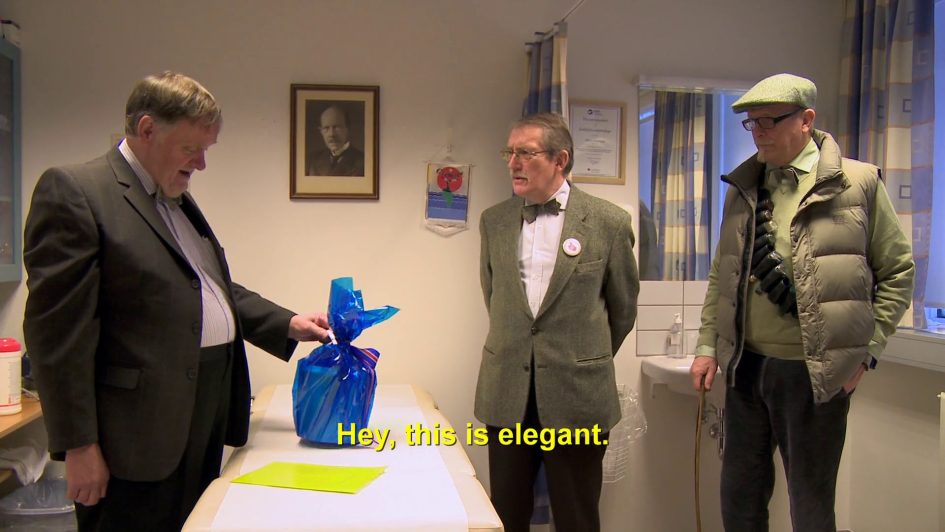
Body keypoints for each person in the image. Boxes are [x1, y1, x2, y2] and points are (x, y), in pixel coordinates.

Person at [22, 71, 332, 531]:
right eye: (192, 149)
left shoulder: (175, 199)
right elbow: (55, 335)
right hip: (132, 439)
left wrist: (287, 323)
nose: (202, 164)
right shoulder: (78, 192)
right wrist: (79, 446)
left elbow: (208, 289)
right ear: (147, 130)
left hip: (197, 421)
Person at [689, 73, 915, 531]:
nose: (760, 133)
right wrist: (707, 345)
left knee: (810, 509)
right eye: (752, 124)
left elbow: (898, 272)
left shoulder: (857, 183)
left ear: (807, 120)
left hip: (814, 373)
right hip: (745, 369)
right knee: (739, 502)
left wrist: (865, 354)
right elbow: (722, 274)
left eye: (769, 121)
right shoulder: (744, 187)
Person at [476, 112, 640, 532]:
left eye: (525, 153)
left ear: (560, 160)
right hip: (508, 390)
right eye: (508, 152)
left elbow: (622, 311)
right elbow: (496, 298)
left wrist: (580, 355)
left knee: (577, 517)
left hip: (577, 394)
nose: (512, 162)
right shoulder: (494, 221)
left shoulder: (608, 222)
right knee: (506, 515)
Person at [306, 104, 365, 176]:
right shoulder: (312, 160)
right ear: (321, 131)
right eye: (326, 128)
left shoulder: (364, 162)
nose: (331, 134)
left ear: (347, 129)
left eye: (337, 127)